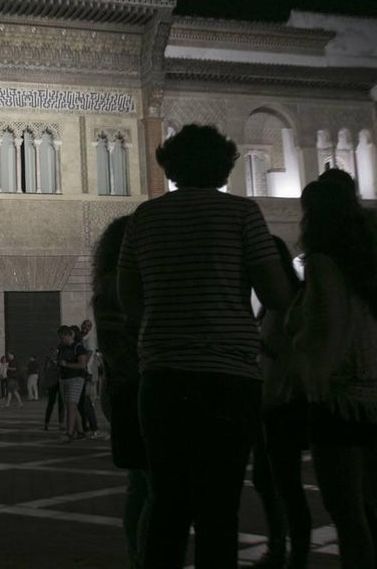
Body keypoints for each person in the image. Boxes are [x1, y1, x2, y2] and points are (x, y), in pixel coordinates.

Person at [118, 124, 294, 569]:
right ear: (223, 165)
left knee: (168, 503)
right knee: (219, 507)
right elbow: (276, 295)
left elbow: (129, 300)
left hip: (163, 377)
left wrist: (163, 323)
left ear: (171, 166)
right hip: (229, 378)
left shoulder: (144, 218)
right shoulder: (243, 214)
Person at [285, 178, 377, 569]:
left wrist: (303, 355)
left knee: (347, 510)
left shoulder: (323, 261)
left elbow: (328, 327)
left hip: (338, 394)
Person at [91, 215, 152, 568]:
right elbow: (120, 350)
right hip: (136, 389)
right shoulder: (120, 287)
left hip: (121, 391)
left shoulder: (105, 288)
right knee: (152, 485)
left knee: (140, 483)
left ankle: (138, 555)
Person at [254, 236, 309, 569]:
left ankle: (295, 553)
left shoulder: (294, 302)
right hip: (266, 402)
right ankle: (277, 546)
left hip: (285, 402)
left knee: (286, 482)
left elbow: (297, 352)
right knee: (265, 479)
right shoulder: (271, 305)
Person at [56, 325, 89, 440]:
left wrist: (67, 364)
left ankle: (69, 433)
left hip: (76, 378)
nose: (61, 340)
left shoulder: (78, 347)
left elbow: (82, 365)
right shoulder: (62, 348)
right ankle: (80, 431)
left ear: (68, 335)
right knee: (72, 406)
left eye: (62, 337)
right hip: (64, 378)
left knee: (71, 405)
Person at [41, 343, 65, 431]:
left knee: (59, 403)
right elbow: (46, 373)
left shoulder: (59, 360)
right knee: (52, 403)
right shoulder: (49, 361)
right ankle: (47, 423)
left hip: (59, 382)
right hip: (54, 383)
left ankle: (58, 423)